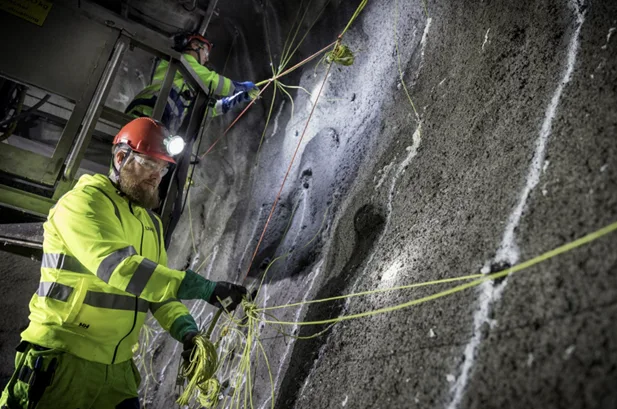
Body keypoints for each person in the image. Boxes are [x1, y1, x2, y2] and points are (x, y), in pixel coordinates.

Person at [0, 117, 247, 409]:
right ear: (121, 158)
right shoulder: (82, 203)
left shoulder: (150, 225)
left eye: (163, 168)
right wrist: (205, 288)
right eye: (149, 164)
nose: (158, 176)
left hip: (117, 372)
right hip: (64, 360)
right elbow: (120, 269)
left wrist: (188, 332)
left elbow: (159, 293)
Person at [125, 32, 259, 133]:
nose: (206, 58)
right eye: (206, 51)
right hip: (149, 108)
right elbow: (212, 80)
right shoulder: (183, 60)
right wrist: (240, 87)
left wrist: (238, 98)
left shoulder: (190, 85)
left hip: (162, 117)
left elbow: (209, 109)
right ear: (195, 45)